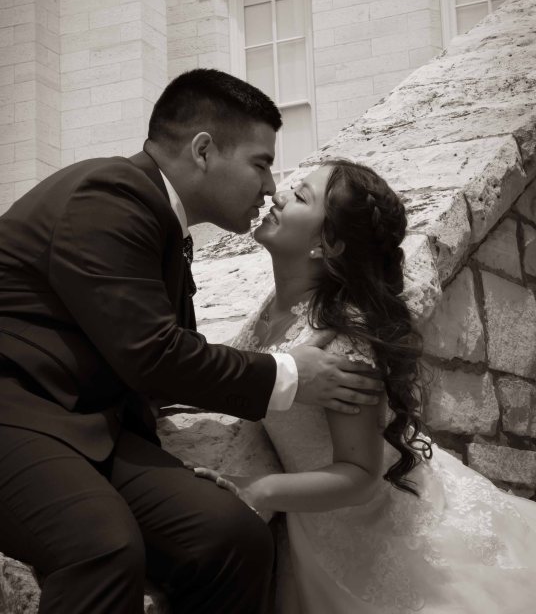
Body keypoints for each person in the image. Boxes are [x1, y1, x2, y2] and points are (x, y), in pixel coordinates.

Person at [0, 71, 383, 614]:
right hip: (15, 409)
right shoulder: (109, 196)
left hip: (87, 424)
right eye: (260, 164)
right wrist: (291, 374)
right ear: (203, 151)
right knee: (102, 547)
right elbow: (154, 354)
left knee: (231, 535)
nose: (269, 187)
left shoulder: (160, 219)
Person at [195, 159, 536, 614]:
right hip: (324, 532)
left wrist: (260, 490)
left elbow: (360, 474)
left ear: (327, 244)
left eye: (300, 197)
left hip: (379, 535)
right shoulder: (278, 305)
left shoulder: (344, 340)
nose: (278, 195)